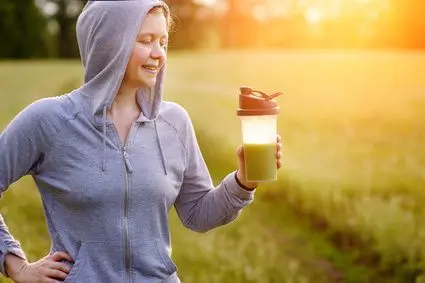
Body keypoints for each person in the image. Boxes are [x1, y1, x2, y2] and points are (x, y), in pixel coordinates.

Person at [0, 1, 283, 282]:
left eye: (163, 41)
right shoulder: (50, 120)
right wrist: (16, 266)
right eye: (145, 41)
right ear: (109, 44)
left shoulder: (175, 122)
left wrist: (243, 181)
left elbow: (198, 214)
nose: (158, 54)